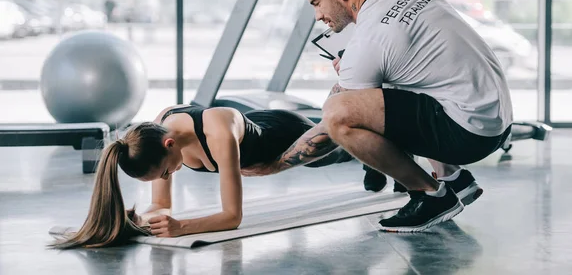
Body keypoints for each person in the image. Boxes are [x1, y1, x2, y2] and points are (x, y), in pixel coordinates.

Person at [241, 0, 514, 233]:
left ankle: (431, 195)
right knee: (394, 77)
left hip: (471, 135)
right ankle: (454, 178)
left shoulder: (368, 43)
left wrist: (272, 166)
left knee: (338, 116)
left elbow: (334, 125)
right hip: (498, 117)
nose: (318, 15)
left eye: (316, 3)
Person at [50, 105, 352, 249]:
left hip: (285, 136)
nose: (168, 176)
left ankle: (373, 154)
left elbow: (232, 216)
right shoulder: (158, 132)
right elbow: (161, 203)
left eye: (166, 171)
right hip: (256, 138)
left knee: (341, 150)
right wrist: (137, 220)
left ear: (170, 145)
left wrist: (183, 227)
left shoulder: (217, 132)